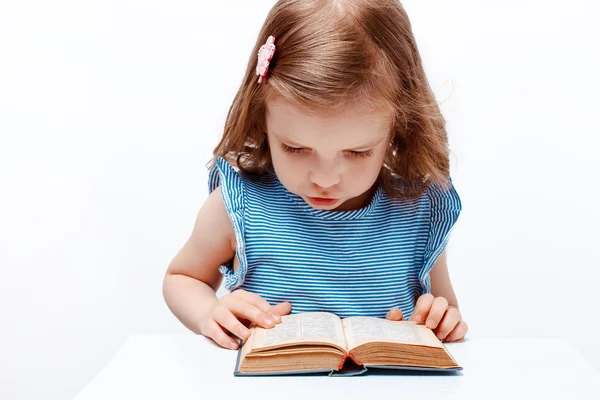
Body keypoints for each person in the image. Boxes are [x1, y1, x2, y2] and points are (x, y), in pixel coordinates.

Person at [163, 0, 468, 351]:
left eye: (357, 152)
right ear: (262, 116)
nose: (325, 179)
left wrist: (441, 318)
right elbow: (181, 278)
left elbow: (447, 314)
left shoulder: (418, 212)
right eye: (295, 148)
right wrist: (210, 313)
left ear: (399, 126)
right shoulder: (238, 206)